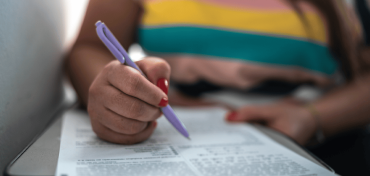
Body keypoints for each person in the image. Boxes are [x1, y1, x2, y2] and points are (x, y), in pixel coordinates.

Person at [66, 0, 370, 147]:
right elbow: (89, 48)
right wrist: (114, 95)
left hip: (324, 144)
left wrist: (313, 117)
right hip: (174, 138)